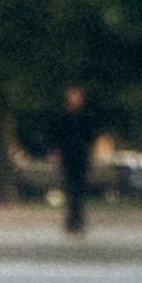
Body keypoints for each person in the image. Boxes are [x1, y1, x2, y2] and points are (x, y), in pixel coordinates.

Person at [55, 83, 98, 239]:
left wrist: (91, 152)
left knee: (80, 190)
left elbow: (91, 137)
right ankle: (71, 222)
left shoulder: (86, 117)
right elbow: (58, 136)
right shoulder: (64, 116)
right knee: (70, 189)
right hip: (68, 156)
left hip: (81, 156)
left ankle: (78, 221)